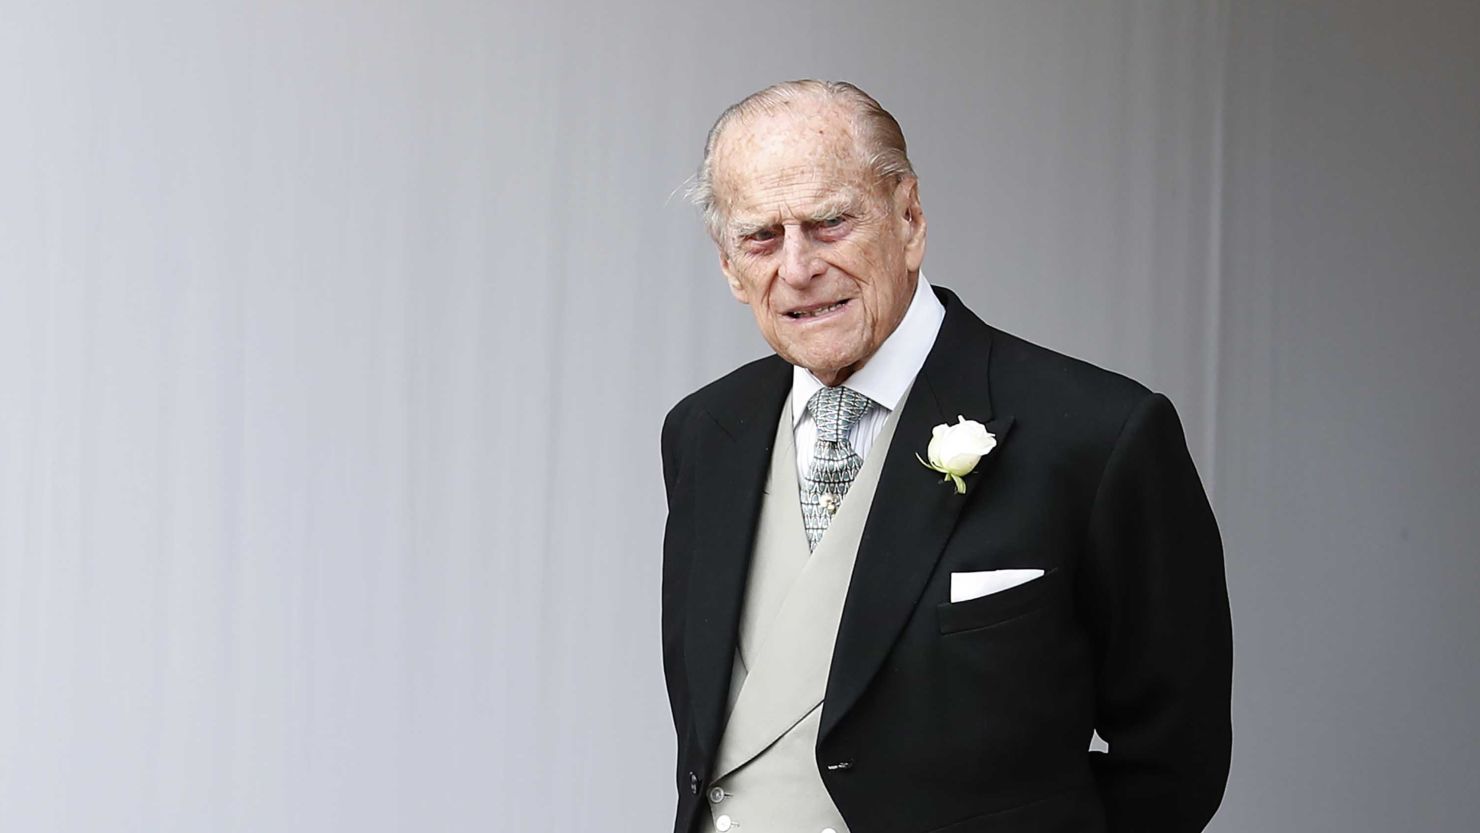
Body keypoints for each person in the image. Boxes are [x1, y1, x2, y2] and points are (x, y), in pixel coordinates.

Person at [659, 80, 1232, 833]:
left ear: (909, 217)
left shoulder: (1100, 435)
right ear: (729, 265)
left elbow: (1175, 759)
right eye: (762, 237)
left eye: (830, 222)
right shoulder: (703, 432)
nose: (797, 268)